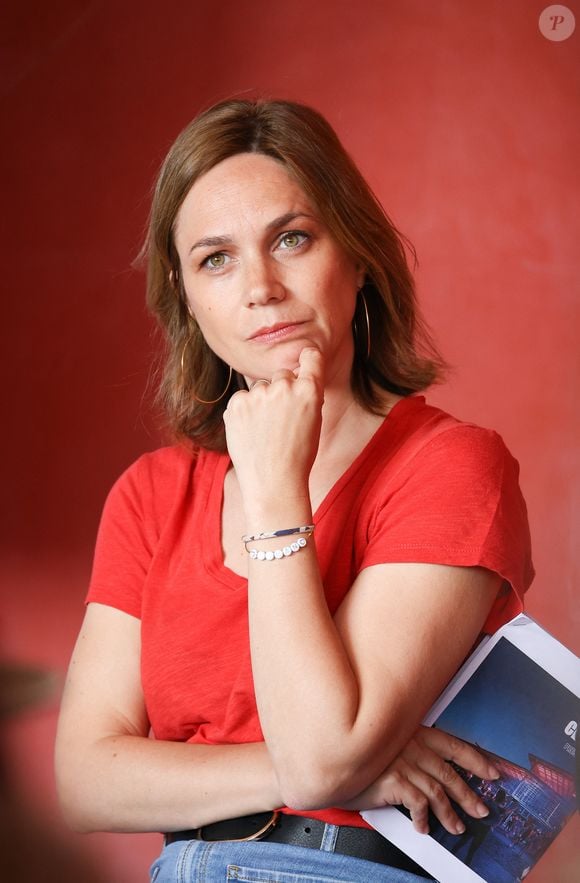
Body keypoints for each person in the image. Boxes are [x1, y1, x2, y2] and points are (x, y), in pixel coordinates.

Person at [55, 98, 534, 883]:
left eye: (292, 238)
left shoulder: (451, 464)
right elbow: (85, 776)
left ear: (356, 252)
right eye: (217, 259)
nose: (261, 286)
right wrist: (344, 769)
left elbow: (321, 759)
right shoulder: (151, 493)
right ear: (187, 296)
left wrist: (277, 492)